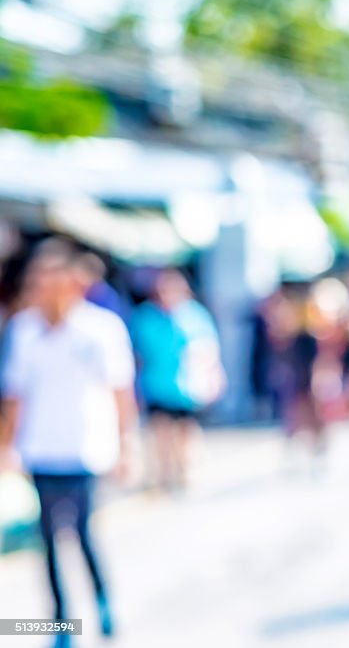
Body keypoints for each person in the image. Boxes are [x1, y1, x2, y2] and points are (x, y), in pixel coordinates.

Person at [0, 239, 139, 647]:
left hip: (86, 447)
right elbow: (15, 395)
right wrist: (7, 444)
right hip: (41, 448)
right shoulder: (24, 330)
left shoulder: (100, 328)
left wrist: (126, 445)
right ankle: (62, 624)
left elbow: (120, 391)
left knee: (80, 533)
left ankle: (101, 602)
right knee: (47, 539)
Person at [131, 268, 223, 491]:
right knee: (160, 430)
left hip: (186, 387)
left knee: (185, 430)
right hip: (156, 385)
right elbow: (136, 354)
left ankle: (184, 471)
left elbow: (209, 351)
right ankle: (163, 473)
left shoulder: (194, 315)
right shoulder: (145, 317)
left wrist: (214, 378)